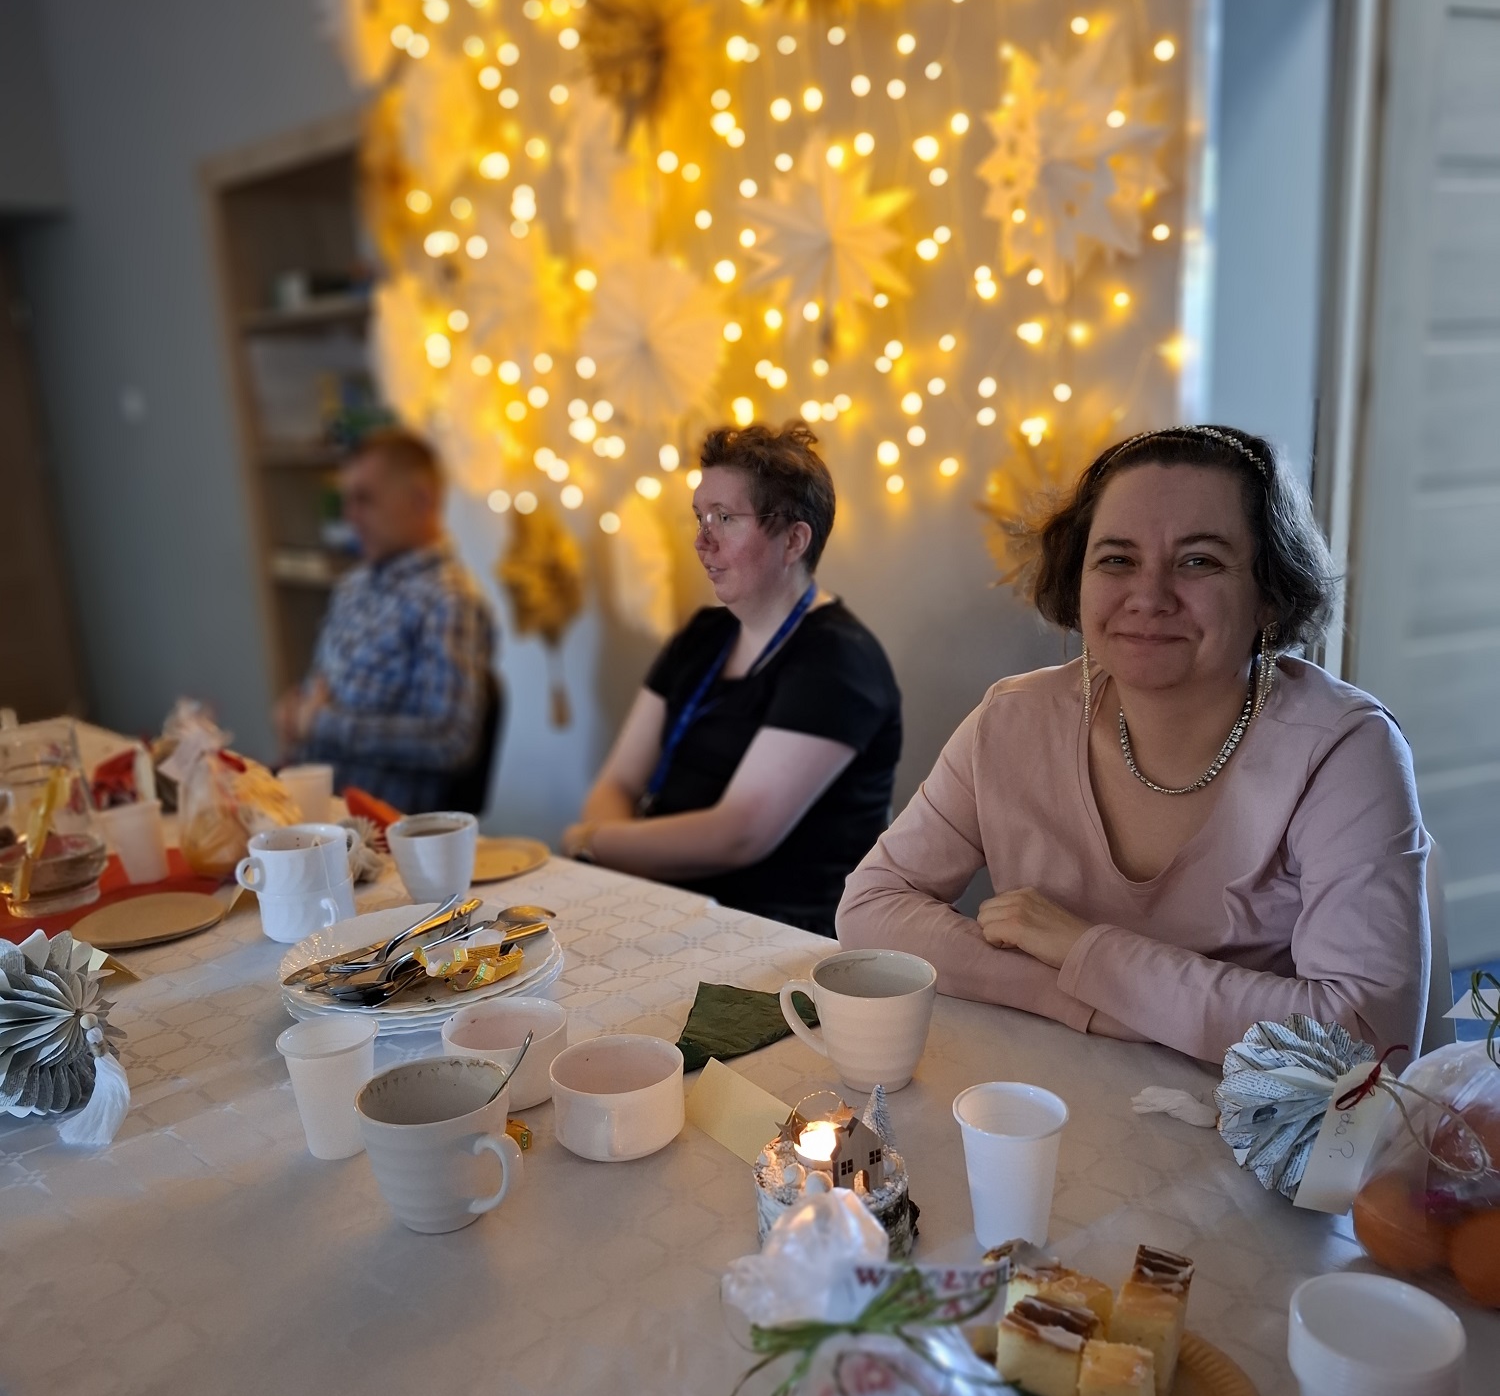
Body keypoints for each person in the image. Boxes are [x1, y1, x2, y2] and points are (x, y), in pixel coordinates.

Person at [837, 426, 1430, 1065]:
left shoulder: (1345, 750)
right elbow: (871, 907)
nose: (1149, 597)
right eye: (1117, 560)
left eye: (1199, 561)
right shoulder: (1011, 721)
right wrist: (1083, 998)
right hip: (1045, 1089)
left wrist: (1083, 949)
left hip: (1242, 1116)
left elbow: (1366, 1040)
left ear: (1270, 595)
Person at [562, 422, 902, 936]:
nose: (701, 541)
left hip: (778, 935)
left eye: (724, 518)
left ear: (794, 540)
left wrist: (592, 841)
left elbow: (739, 834)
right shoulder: (703, 635)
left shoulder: (839, 661)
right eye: (699, 517)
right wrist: (615, 864)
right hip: (668, 903)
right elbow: (619, 781)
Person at [275, 430, 498, 813]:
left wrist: (323, 724)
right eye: (347, 500)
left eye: (365, 499)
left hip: (378, 828)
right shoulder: (353, 586)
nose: (350, 516)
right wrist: (294, 714)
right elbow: (319, 692)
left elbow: (449, 739)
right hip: (312, 803)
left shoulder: (447, 601)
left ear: (421, 500)